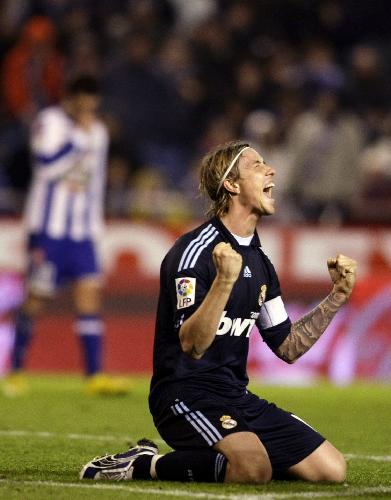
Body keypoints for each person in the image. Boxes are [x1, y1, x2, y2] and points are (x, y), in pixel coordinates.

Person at [80, 140, 357, 483]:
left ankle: (234, 455)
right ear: (231, 183)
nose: (270, 170)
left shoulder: (260, 263)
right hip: (184, 395)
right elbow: (192, 345)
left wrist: (337, 297)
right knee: (253, 469)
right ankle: (143, 464)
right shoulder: (194, 252)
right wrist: (224, 281)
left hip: (236, 397)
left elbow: (288, 346)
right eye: (257, 165)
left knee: (331, 470)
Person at [3, 75, 129, 397]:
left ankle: (94, 375)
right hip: (48, 231)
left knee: (89, 297)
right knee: (37, 297)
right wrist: (77, 140)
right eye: (82, 100)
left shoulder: (98, 132)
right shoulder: (50, 122)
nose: (87, 107)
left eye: (92, 101)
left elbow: (96, 179)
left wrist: (95, 223)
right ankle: (15, 371)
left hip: (82, 232)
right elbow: (46, 166)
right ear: (70, 98)